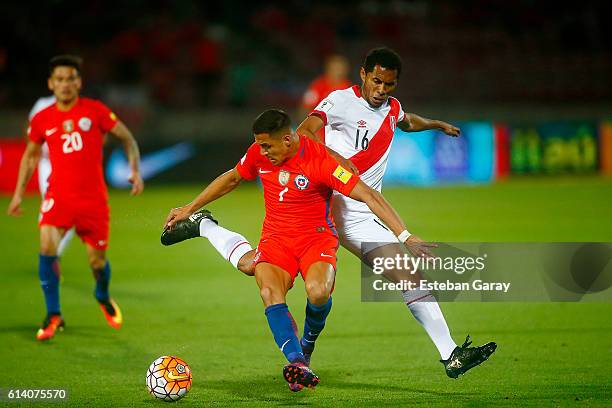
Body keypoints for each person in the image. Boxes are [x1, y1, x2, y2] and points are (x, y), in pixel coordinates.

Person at [163, 48, 497, 379]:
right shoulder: (340, 100)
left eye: (390, 85)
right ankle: (443, 353)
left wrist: (436, 124)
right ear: (363, 74)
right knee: (285, 276)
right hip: (331, 204)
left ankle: (450, 354)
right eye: (377, 81)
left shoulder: (392, 108)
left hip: (360, 211)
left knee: (261, 266)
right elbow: (307, 131)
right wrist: (335, 160)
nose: (382, 90)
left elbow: (406, 121)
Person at [161, 109, 437, 391]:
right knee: (268, 290)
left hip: (316, 239)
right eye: (259, 145)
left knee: (317, 291)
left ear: (289, 140)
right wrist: (188, 207)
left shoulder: (321, 161)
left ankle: (305, 346)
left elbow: (367, 194)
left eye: (268, 146)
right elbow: (232, 178)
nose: (262, 152)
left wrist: (405, 234)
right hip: (277, 238)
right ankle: (296, 361)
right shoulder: (259, 153)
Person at [7, 55, 144, 341]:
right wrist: (18, 194)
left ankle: (102, 294)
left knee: (96, 262)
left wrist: (134, 171)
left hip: (93, 202)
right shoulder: (42, 119)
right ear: (51, 84)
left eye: (70, 78)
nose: (65, 84)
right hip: (58, 196)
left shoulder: (95, 111)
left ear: (79, 82)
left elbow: (127, 138)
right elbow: (30, 157)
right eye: (59, 79)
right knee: (47, 248)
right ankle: (53, 314)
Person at [28, 95, 76, 257]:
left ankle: (53, 253)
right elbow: (30, 129)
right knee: (50, 206)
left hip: (71, 165)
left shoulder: (80, 106)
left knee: (72, 211)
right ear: (52, 82)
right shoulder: (42, 104)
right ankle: (50, 252)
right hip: (48, 164)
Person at [298, 54, 352, 126]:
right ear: (328, 69)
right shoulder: (317, 86)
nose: (338, 72)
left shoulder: (349, 88)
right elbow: (305, 108)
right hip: (318, 133)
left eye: (340, 68)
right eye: (335, 68)